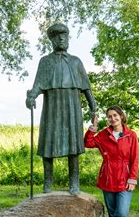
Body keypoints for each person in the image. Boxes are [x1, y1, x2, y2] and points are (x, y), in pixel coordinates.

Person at [26, 23, 96, 195]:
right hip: (52, 107)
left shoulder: (75, 62)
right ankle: (48, 182)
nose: (62, 39)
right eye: (57, 36)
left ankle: (74, 182)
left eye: (64, 35)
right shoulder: (46, 62)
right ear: (52, 40)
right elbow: (38, 85)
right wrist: (31, 97)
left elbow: (86, 87)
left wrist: (93, 107)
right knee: (48, 143)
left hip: (72, 106)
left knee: (73, 145)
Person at [84, 106, 139, 217]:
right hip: (107, 178)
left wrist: (133, 177)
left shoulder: (130, 135)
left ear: (121, 116)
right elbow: (88, 143)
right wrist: (93, 128)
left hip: (124, 179)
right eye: (109, 116)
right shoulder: (103, 134)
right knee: (113, 213)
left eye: (115, 115)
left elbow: (134, 159)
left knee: (121, 213)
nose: (112, 118)